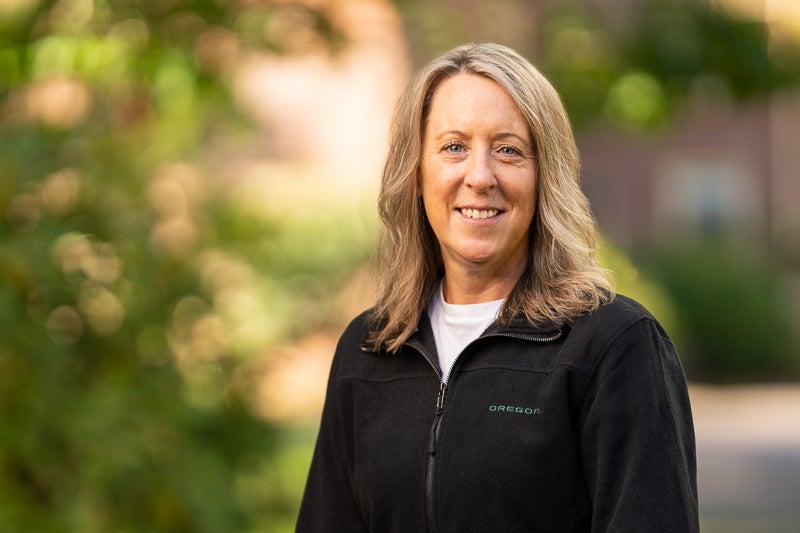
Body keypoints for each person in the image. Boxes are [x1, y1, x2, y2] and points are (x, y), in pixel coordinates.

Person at [296, 42, 698, 532]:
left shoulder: (614, 346)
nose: (480, 176)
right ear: (417, 174)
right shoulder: (369, 351)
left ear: (543, 176)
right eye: (453, 147)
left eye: (508, 150)